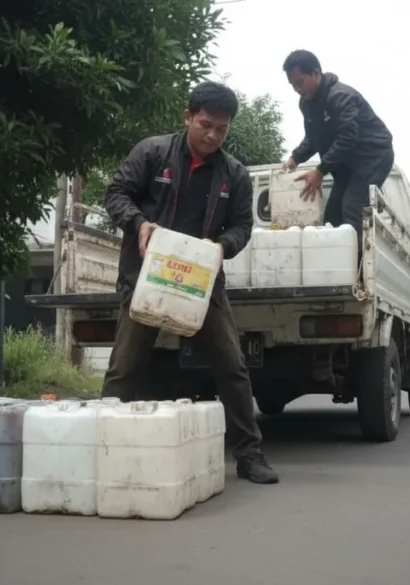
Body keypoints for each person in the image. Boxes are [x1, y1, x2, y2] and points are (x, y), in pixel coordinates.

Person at [101, 81, 279, 485]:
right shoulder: (153, 152)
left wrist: (222, 247)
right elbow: (116, 193)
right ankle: (103, 446)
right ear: (187, 117)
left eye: (222, 129)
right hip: (145, 276)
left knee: (232, 367)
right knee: (124, 368)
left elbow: (241, 226)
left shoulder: (233, 173)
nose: (213, 135)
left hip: (202, 281)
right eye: (205, 125)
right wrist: (139, 222)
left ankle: (250, 455)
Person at [281, 50, 395, 245]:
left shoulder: (341, 96)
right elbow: (313, 138)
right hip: (346, 162)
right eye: (292, 85)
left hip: (372, 156)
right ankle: (331, 266)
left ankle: (357, 266)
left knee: (353, 206)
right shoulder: (306, 104)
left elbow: (348, 136)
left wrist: (320, 170)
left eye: (299, 82)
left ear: (316, 73)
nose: (296, 89)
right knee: (333, 214)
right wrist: (295, 157)